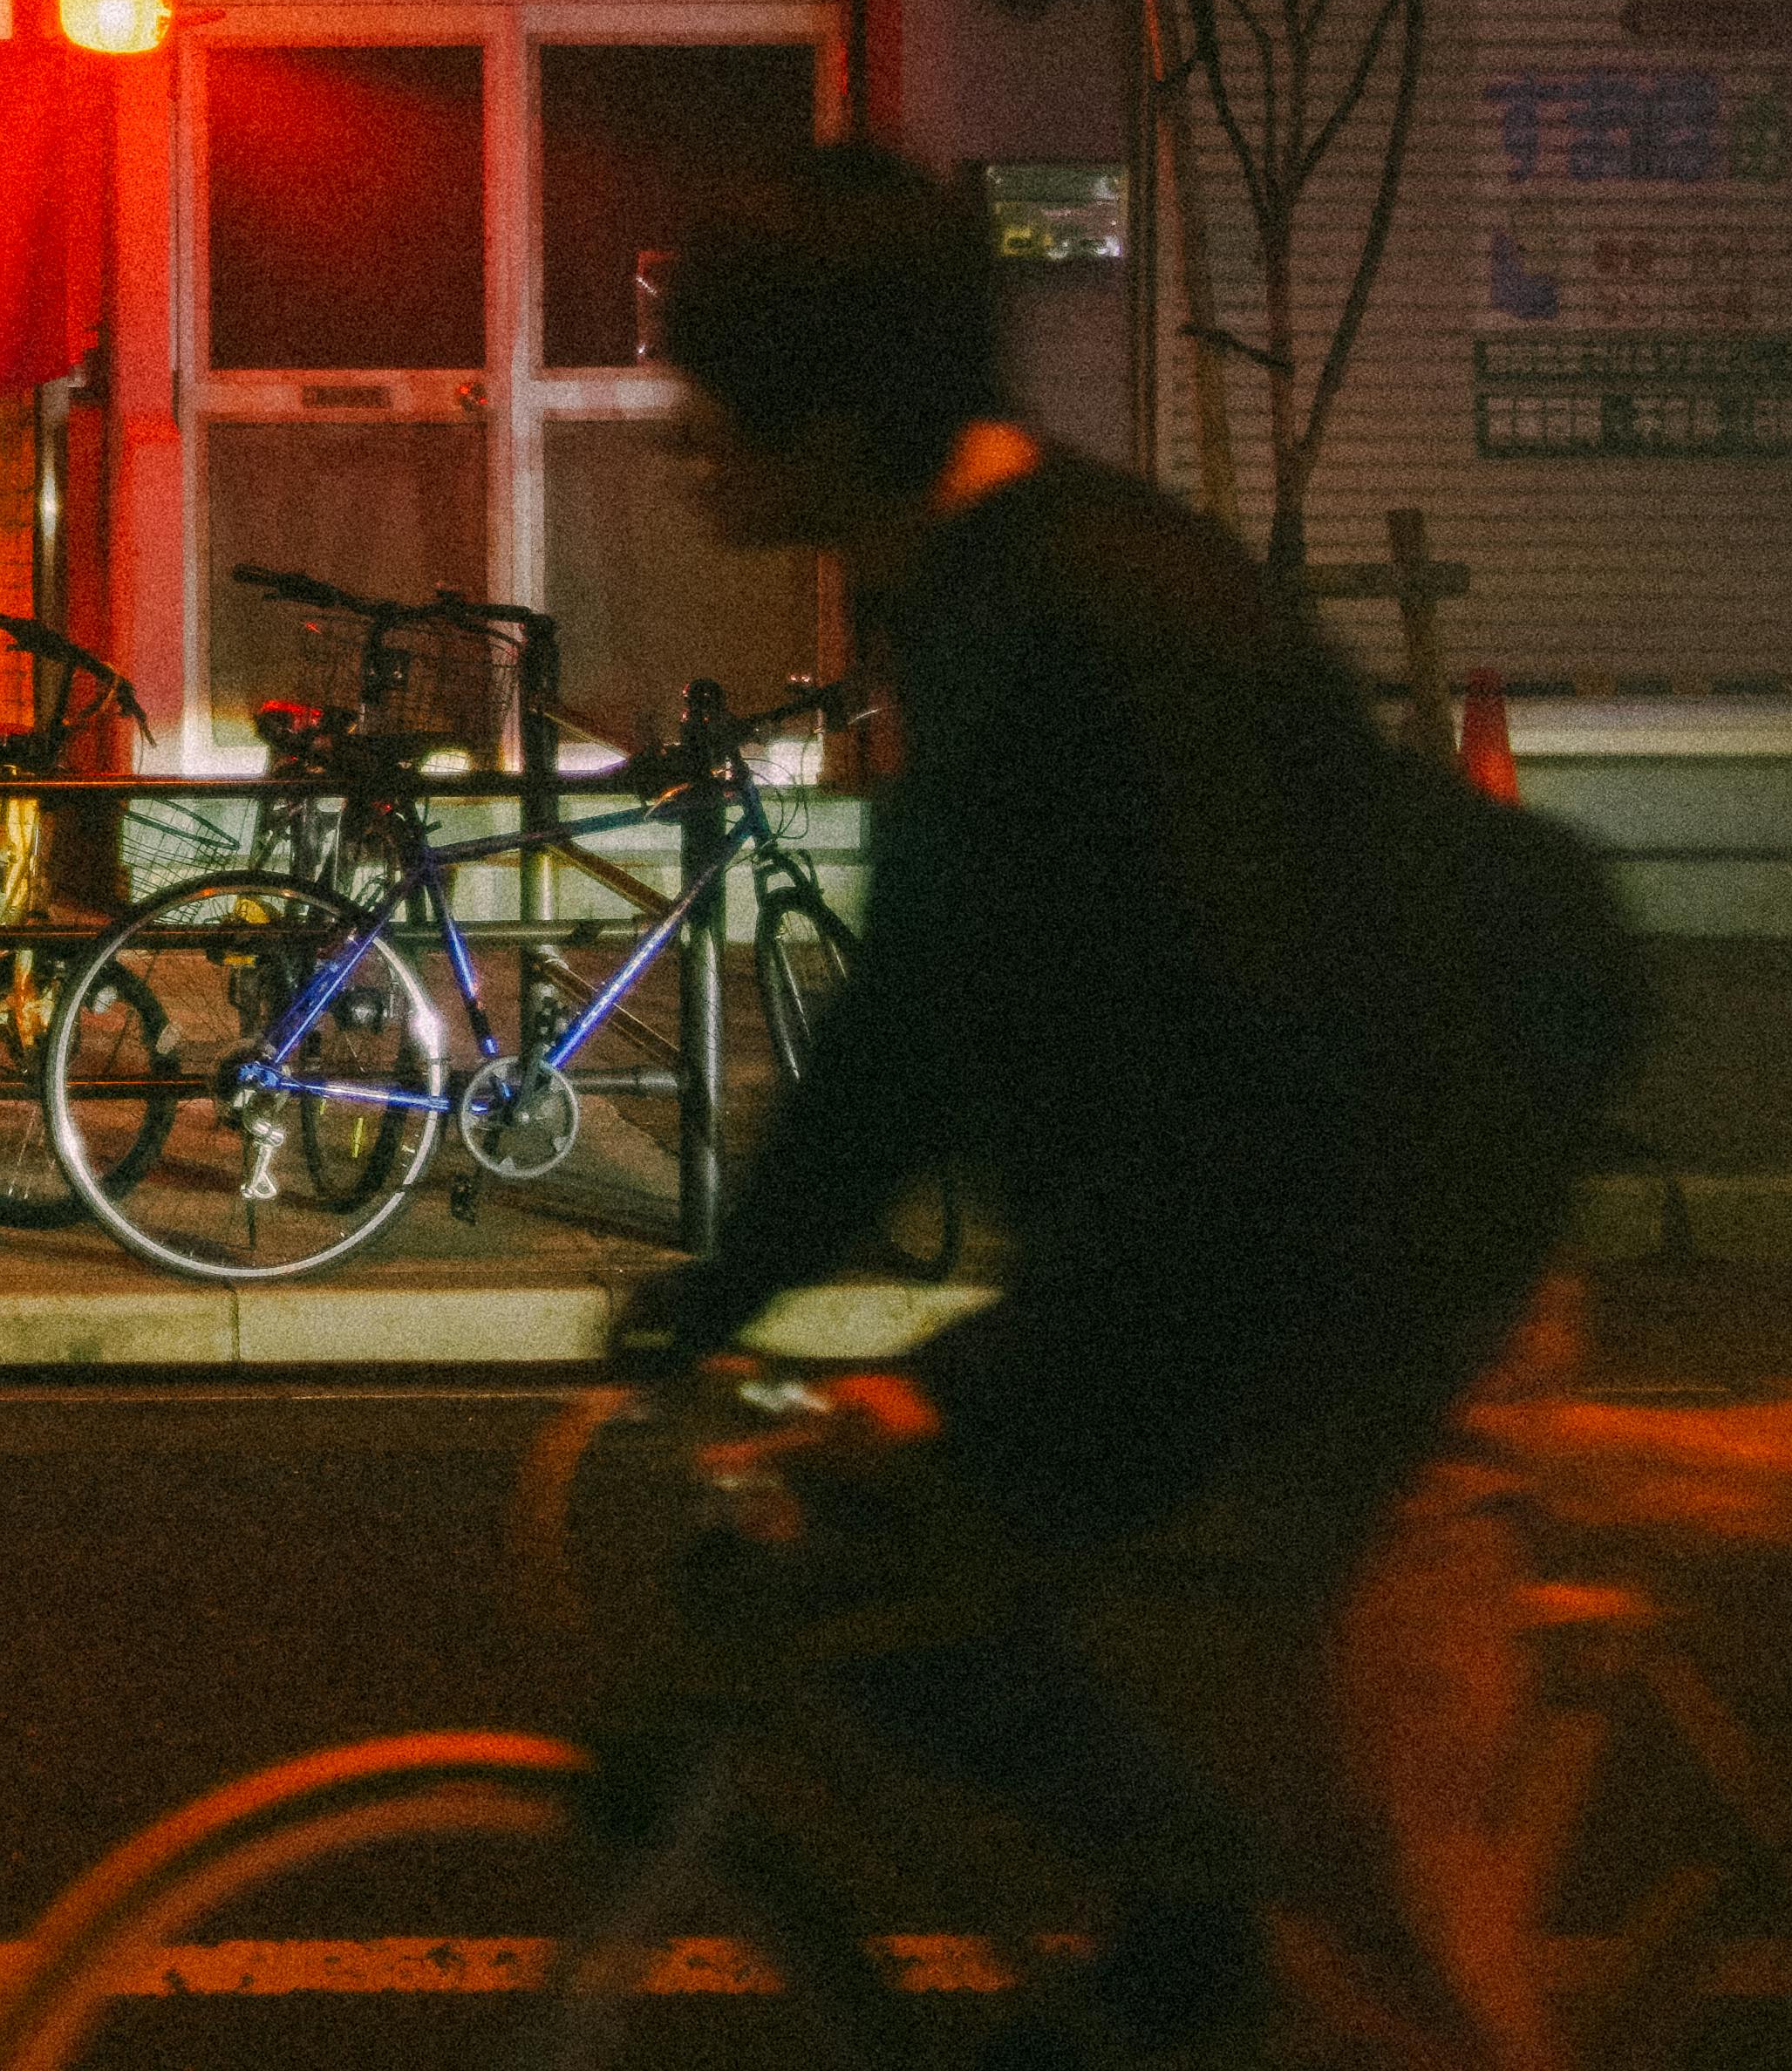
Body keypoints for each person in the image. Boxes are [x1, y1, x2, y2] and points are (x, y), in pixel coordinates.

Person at [605, 142, 1638, 2068]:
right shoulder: (969, 584)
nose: (683, 432)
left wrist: (974, 1384)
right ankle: (1184, 1933)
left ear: (837, 406)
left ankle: (1230, 1944)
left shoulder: (1110, 628)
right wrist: (725, 1289)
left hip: (1398, 1231)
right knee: (839, 1559)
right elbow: (916, 1006)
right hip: (1243, 1232)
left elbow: (1275, 1117)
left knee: (1374, 1959)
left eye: (715, 384)